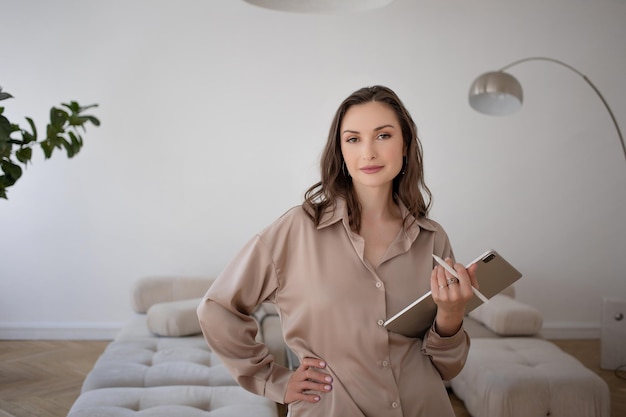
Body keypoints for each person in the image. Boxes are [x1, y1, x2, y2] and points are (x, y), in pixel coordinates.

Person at [197, 85, 479, 417]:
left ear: (405, 145)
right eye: (354, 139)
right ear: (340, 151)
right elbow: (217, 308)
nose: (368, 152)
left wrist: (451, 316)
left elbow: (446, 368)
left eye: (383, 136)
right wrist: (271, 379)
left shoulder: (432, 238)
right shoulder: (295, 230)